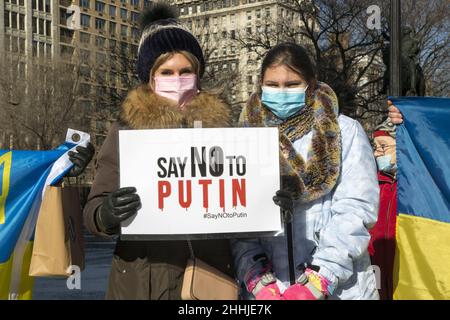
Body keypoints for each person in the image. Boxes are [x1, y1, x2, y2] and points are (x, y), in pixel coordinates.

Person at [83, 3, 234, 300]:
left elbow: (244, 197)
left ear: (198, 74)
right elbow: (93, 211)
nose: (177, 79)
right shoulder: (125, 130)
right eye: (166, 71)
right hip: (142, 281)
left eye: (185, 71)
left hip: (209, 278)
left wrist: (268, 201)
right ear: (150, 78)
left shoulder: (225, 130)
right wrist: (107, 214)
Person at [231, 43, 380, 300]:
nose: (281, 92)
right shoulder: (243, 138)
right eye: (273, 85)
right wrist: (256, 279)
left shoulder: (346, 131)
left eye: (292, 84)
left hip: (340, 289)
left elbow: (355, 209)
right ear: (260, 85)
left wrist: (319, 280)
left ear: (310, 84)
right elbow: (236, 219)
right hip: (270, 290)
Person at [368, 119, 397, 300]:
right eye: (375, 146)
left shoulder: (416, 188)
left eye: (383, 146)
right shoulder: (372, 182)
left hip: (402, 265)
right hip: (375, 263)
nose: (376, 152)